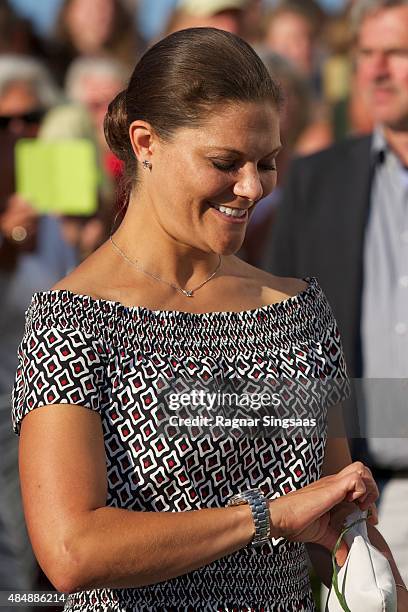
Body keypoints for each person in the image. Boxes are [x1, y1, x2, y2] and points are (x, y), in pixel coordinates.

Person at [11, 28, 407, 611]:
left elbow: (333, 525)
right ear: (145, 143)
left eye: (267, 162)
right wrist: (266, 517)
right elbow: (72, 551)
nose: (252, 188)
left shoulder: (296, 310)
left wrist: (364, 559)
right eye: (225, 162)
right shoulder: (71, 320)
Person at [265, 0, 408, 585]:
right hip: (363, 494)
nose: (376, 69)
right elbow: (275, 335)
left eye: (396, 53)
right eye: (365, 54)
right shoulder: (317, 181)